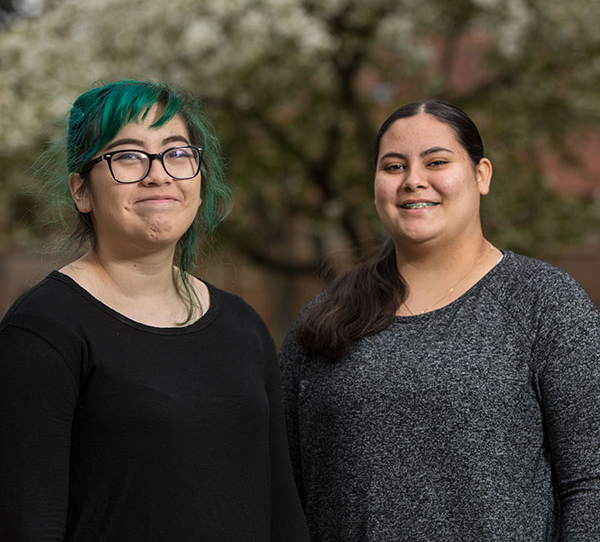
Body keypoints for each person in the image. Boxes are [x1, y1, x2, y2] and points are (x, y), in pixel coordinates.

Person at [0, 80, 310, 541]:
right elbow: (28, 523)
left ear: (200, 183)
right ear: (81, 192)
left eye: (177, 153)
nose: (159, 174)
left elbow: (282, 514)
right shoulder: (43, 330)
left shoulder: (243, 327)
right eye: (127, 156)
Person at [280, 99, 600, 541]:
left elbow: (591, 483)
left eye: (436, 162)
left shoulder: (545, 303)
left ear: (481, 174)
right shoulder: (323, 321)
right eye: (393, 167)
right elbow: (286, 492)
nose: (414, 181)